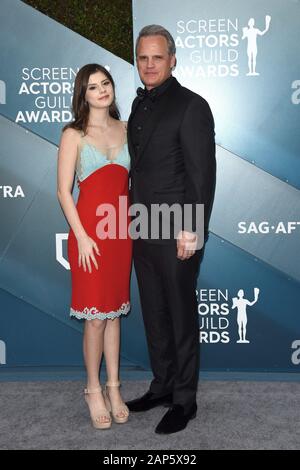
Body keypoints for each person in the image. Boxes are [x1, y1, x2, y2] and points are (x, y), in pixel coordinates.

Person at [126, 25, 216, 434]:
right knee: (155, 314)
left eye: (157, 57)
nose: (149, 64)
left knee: (180, 316)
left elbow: (200, 177)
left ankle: (185, 399)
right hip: (142, 227)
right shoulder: (137, 104)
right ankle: (161, 386)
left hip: (178, 229)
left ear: (173, 59)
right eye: (143, 57)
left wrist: (191, 230)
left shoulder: (191, 106)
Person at [57, 64, 132, 429]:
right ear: (82, 95)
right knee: (96, 319)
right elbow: (63, 191)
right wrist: (83, 237)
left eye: (105, 83)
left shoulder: (129, 129)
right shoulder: (73, 134)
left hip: (120, 234)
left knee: (114, 313)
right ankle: (92, 389)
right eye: (92, 87)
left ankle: (114, 387)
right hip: (89, 236)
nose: (101, 91)